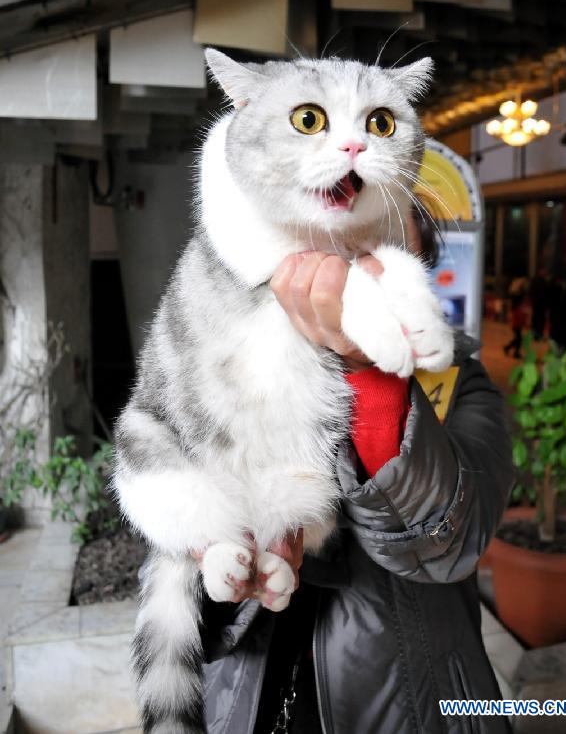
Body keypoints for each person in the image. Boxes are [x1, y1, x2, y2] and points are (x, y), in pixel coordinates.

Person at [198, 215, 514, 734]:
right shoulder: (235, 361)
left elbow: (450, 541)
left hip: (420, 704)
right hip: (253, 696)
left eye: (379, 233)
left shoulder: (460, 380)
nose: (345, 252)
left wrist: (366, 361)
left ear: (417, 266)